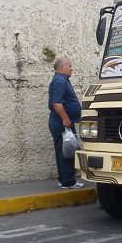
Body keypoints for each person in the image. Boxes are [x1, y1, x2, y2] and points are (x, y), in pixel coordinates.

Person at [48, 58, 84, 189]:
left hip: (63, 121)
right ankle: (68, 182)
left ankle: (64, 179)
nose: (71, 68)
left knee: (63, 150)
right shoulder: (60, 81)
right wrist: (65, 119)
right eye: (69, 66)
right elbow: (57, 103)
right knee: (67, 151)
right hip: (62, 122)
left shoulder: (60, 80)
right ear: (62, 67)